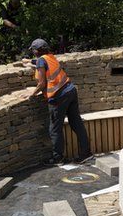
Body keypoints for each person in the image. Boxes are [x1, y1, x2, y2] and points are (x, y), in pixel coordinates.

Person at [28, 38, 92, 166]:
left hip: (58, 97)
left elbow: (41, 84)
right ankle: (86, 154)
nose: (32, 52)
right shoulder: (50, 57)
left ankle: (58, 158)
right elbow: (43, 64)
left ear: (36, 50)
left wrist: (31, 94)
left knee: (55, 129)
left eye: (33, 50)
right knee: (76, 123)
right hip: (70, 90)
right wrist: (29, 62)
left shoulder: (41, 61)